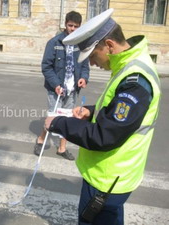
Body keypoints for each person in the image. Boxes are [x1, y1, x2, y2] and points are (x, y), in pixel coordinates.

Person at [45, 8, 161, 225]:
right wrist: (91, 111)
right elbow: (117, 111)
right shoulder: (130, 64)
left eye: (92, 56)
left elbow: (104, 135)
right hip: (111, 175)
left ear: (108, 45)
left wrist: (59, 123)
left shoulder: (135, 81)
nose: (90, 64)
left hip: (108, 178)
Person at [34, 11, 90, 160]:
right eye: (70, 25)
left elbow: (85, 65)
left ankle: (62, 148)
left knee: (67, 118)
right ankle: (41, 139)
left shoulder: (82, 44)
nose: (73, 29)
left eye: (76, 26)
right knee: (53, 117)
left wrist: (84, 78)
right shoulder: (55, 43)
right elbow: (46, 66)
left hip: (72, 90)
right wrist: (56, 84)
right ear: (65, 24)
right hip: (56, 89)